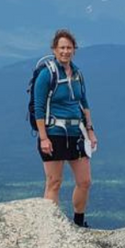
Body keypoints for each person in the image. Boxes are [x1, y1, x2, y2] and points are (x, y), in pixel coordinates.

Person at [34, 29, 98, 227]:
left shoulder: (78, 74)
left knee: (85, 181)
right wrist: (43, 138)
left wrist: (90, 130)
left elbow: (84, 104)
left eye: (69, 47)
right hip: (54, 134)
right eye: (62, 47)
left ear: (74, 50)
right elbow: (39, 107)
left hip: (76, 133)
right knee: (54, 182)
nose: (65, 51)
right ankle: (50, 227)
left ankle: (79, 223)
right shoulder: (47, 75)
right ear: (54, 49)